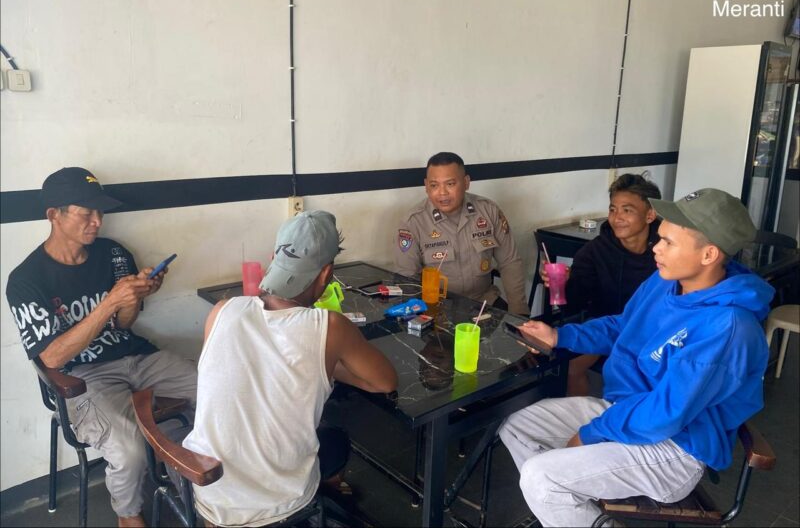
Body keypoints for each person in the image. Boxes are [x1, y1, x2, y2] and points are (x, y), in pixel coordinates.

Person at [499, 188, 772, 527]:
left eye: (669, 243)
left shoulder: (727, 327)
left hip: (675, 450)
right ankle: (577, 515)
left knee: (541, 476)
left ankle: (561, 501)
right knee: (518, 426)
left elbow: (665, 414)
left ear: (708, 255)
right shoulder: (665, 282)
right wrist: (560, 336)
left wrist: (590, 434)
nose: (656, 248)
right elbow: (624, 326)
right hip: (628, 409)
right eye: (660, 239)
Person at [6, 167, 197, 528]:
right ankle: (129, 516)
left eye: (100, 212)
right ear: (54, 215)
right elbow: (52, 357)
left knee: (215, 389)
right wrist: (110, 302)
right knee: (128, 449)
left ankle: (194, 488)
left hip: (137, 357)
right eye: (86, 213)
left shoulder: (112, 253)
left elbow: (124, 324)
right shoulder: (25, 279)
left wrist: (136, 295)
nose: (97, 222)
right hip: (80, 374)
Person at [183, 210, 398, 527]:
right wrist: (330, 367)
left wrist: (320, 366)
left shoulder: (222, 310)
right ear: (326, 275)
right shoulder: (329, 327)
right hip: (274, 505)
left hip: (210, 490)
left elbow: (242, 365)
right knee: (336, 438)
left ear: (273, 258)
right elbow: (385, 381)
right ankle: (319, 503)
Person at [541, 173, 662, 396]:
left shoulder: (666, 251)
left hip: (653, 330)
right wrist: (565, 284)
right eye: (613, 209)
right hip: (607, 327)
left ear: (650, 215)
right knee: (572, 369)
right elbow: (575, 306)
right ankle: (584, 423)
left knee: (647, 375)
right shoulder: (595, 251)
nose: (617, 218)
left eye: (628, 210)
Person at [395, 152, 529, 314]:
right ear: (426, 186)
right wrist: (419, 316)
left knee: (509, 337)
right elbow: (407, 278)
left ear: (466, 183)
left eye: (450, 184)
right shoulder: (413, 222)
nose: (442, 192)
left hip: (484, 302)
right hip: (437, 308)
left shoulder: (488, 210)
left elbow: (510, 262)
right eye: (434, 185)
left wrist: (519, 313)